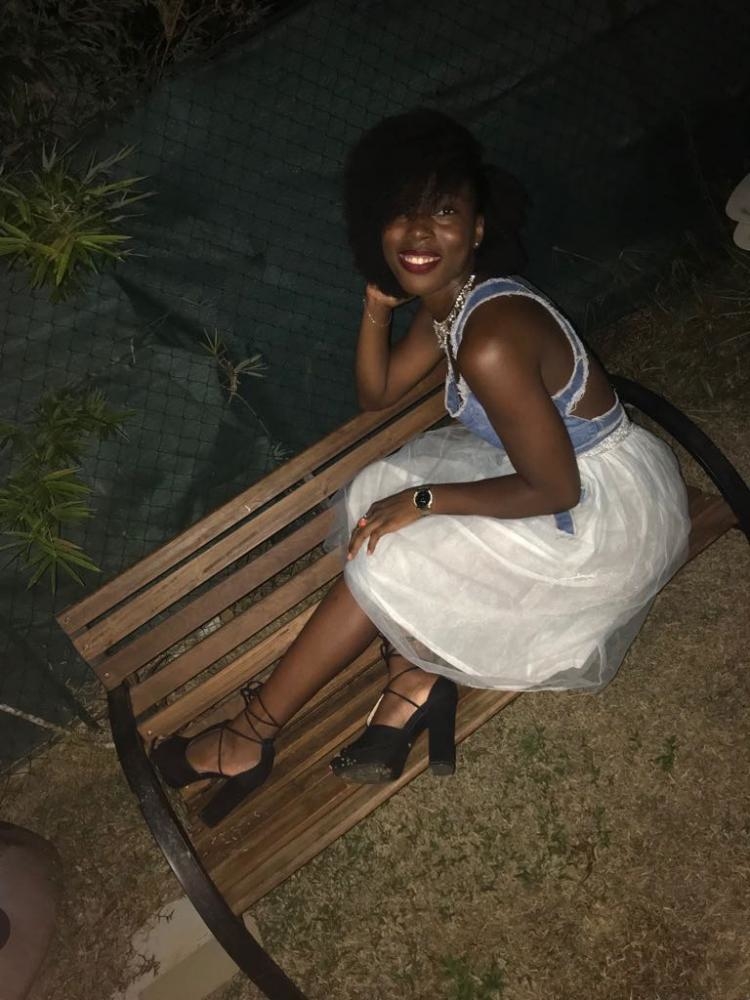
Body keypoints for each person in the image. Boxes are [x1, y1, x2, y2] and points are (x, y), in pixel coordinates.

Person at [153, 110, 690, 827]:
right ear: (376, 226)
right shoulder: (453, 305)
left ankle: (249, 735)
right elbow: (378, 395)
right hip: (556, 481)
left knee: (391, 538)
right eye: (402, 213)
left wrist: (429, 500)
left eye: (443, 212)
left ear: (477, 227)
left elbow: (556, 487)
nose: (418, 233)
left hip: (595, 514)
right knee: (377, 493)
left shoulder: (489, 334)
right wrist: (378, 305)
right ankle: (410, 681)